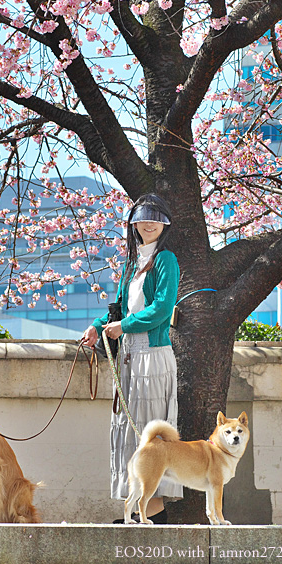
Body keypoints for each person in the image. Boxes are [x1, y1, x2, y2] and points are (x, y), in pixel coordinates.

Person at [80, 193, 181, 523]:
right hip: (130, 360)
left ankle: (153, 515)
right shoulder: (130, 264)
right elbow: (120, 309)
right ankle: (138, 515)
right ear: (133, 223)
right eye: (143, 217)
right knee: (129, 435)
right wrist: (98, 326)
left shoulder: (166, 261)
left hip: (153, 358)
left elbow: (161, 310)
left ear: (164, 225)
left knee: (150, 438)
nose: (149, 223)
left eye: (156, 218)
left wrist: (123, 326)